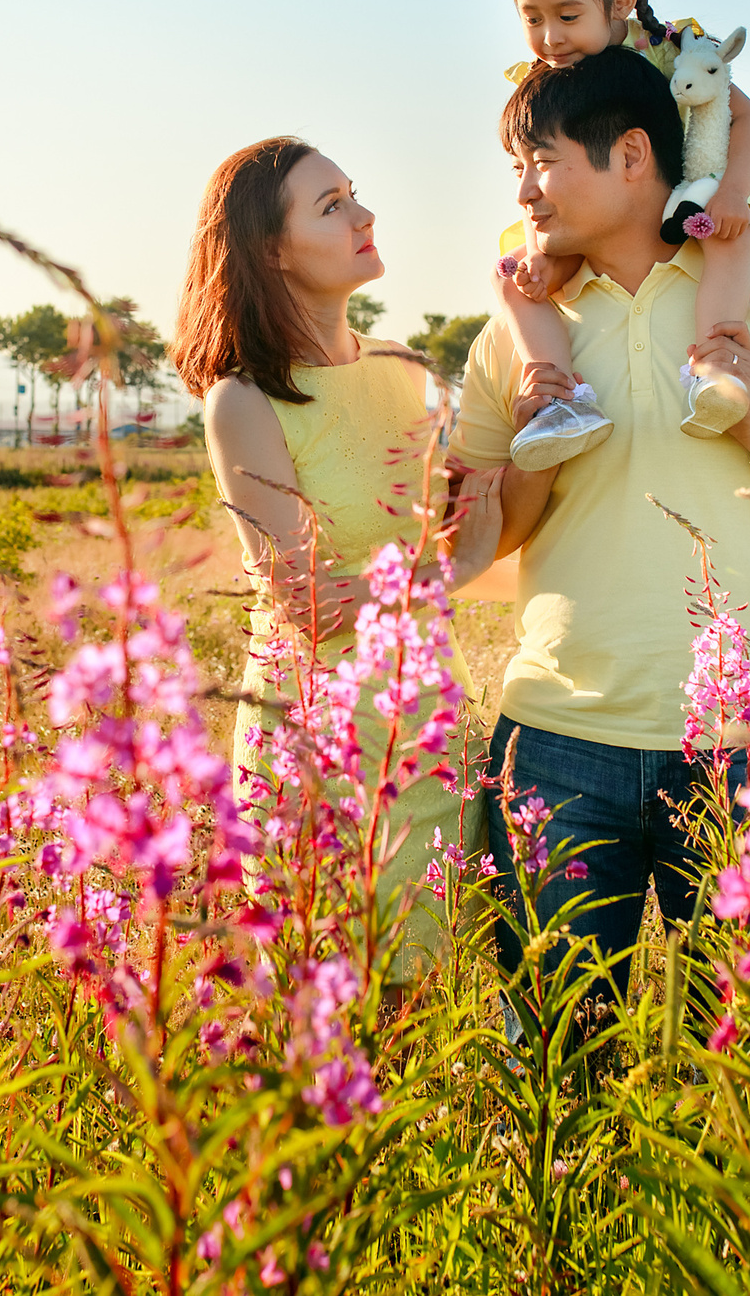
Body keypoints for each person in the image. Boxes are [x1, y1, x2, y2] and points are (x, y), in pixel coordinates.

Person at [454, 46, 750, 1008]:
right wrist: (539, 446)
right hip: (555, 739)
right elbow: (477, 545)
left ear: (631, 155)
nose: (525, 194)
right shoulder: (516, 330)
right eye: (516, 172)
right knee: (551, 1071)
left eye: (541, 162)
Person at [173, 136, 504, 974]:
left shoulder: (405, 372)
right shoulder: (243, 399)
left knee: (430, 1018)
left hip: (431, 730)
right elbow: (307, 603)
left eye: (354, 194)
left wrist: (518, 431)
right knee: (332, 1020)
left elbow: (472, 545)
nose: (364, 215)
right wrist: (441, 568)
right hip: (317, 750)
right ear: (271, 251)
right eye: (332, 206)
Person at [491, 0, 750, 471]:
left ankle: (715, 364)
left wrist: (731, 194)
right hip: (594, 218)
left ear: (622, 2)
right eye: (531, 18)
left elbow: (747, 122)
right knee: (511, 279)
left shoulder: (673, 46)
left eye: (567, 14)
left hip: (687, 193)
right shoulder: (545, 76)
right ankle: (559, 399)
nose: (550, 38)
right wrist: (536, 255)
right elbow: (544, 167)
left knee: (727, 233)